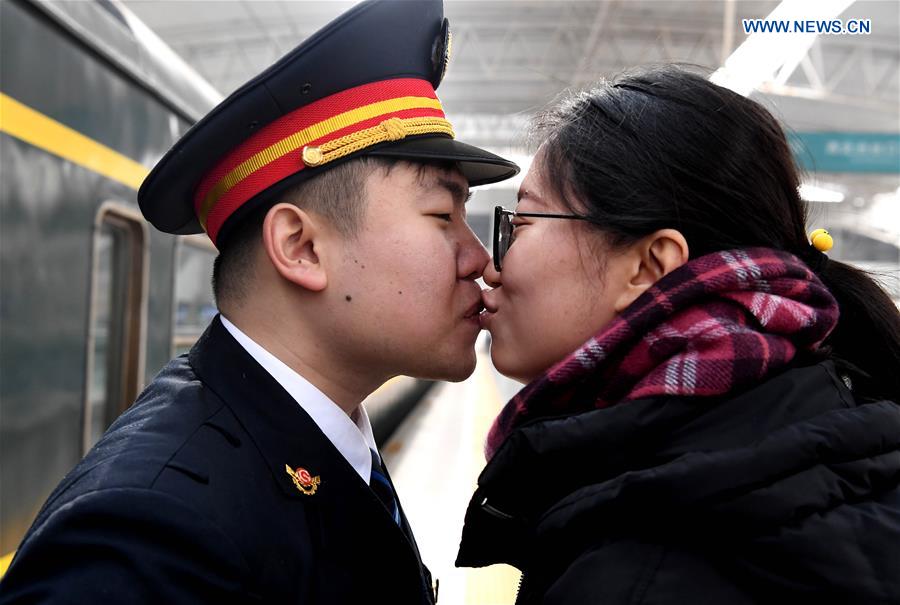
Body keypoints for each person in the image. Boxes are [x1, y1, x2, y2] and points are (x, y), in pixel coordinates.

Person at [0, 1, 518, 603]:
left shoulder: (314, 448)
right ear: (301, 248)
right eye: (441, 216)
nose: (479, 258)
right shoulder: (150, 540)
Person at [456, 65, 900, 603]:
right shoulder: (825, 431)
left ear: (648, 265)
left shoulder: (641, 562)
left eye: (520, 224)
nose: (488, 266)